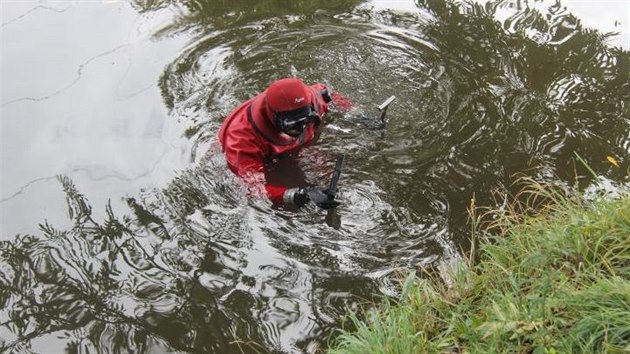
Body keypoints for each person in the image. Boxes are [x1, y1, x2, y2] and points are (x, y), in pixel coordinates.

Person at [218, 77, 351, 209]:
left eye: (306, 121)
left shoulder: (311, 99)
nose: (301, 129)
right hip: (267, 158)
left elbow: (329, 95)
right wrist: (297, 196)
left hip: (294, 149)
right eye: (293, 125)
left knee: (333, 174)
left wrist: (355, 115)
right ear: (274, 118)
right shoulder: (241, 140)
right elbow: (252, 187)